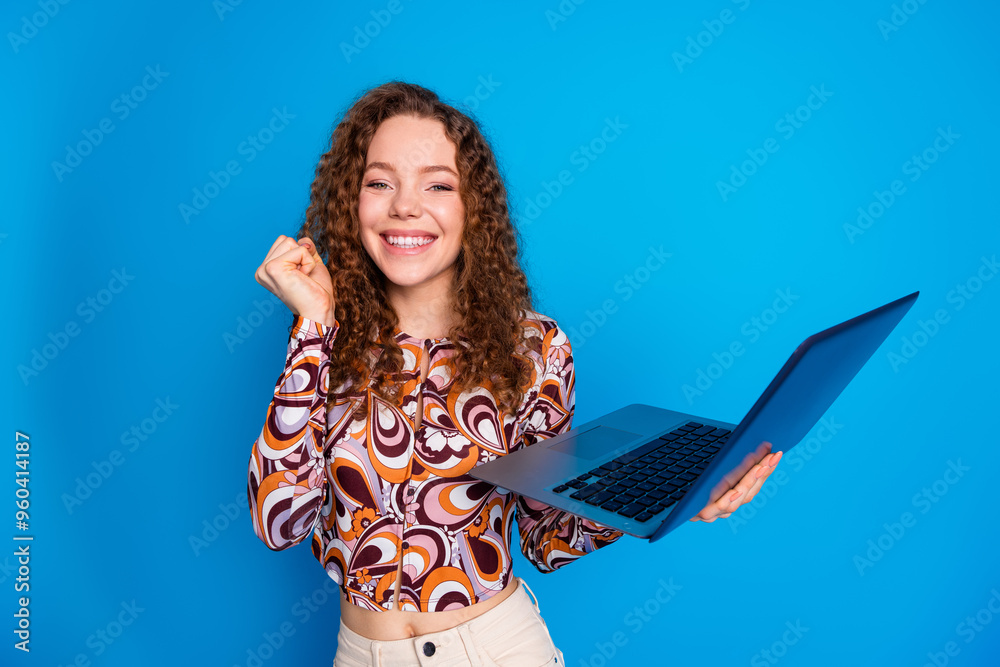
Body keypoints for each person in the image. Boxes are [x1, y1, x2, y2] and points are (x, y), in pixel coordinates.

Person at [246, 81, 783, 666]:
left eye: (438, 184)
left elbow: (545, 536)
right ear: (351, 201)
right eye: (379, 182)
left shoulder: (533, 347)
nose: (404, 205)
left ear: (473, 207)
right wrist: (314, 323)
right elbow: (280, 522)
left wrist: (673, 498)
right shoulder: (326, 341)